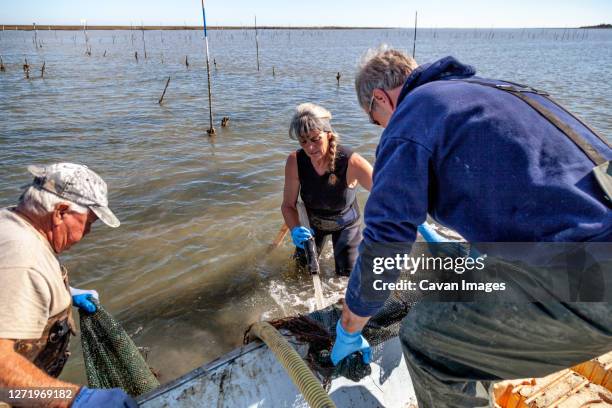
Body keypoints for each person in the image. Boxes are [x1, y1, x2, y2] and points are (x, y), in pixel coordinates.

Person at [330, 47, 612, 407]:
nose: (382, 128)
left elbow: (385, 240)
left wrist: (350, 327)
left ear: (379, 99)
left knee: (426, 339)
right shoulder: (499, 90)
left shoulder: (411, 117)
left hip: (593, 272)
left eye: (376, 120)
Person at [0, 163, 137, 407]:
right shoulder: (25, 262)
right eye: (90, 222)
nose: (89, 232)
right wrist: (72, 399)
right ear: (60, 212)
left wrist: (65, 294)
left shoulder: (11, 222)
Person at [281, 103, 373, 276]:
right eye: (303, 141)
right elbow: (288, 206)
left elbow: (385, 194)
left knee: (347, 277)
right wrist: (295, 229)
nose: (309, 147)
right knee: (301, 274)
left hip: (346, 223)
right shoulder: (295, 161)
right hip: (312, 223)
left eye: (315, 139)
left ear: (328, 134)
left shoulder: (352, 161)